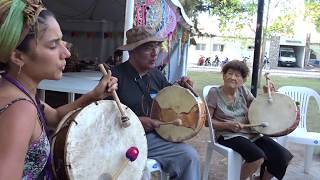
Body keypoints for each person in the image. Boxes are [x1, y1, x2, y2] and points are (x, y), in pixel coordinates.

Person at [0, 1, 117, 179]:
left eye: (62, 41)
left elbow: (54, 117)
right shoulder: (20, 110)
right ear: (17, 56)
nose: (67, 53)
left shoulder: (15, 90)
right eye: (53, 45)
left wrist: (94, 95)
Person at [109, 26, 200, 180]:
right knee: (188, 155)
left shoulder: (156, 74)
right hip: (126, 139)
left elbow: (170, 100)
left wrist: (183, 88)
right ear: (132, 51)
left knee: (189, 155)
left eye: (157, 46)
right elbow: (102, 118)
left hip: (155, 137)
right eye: (148, 48)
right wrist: (136, 122)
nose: (155, 52)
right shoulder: (115, 77)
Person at [206, 60, 293, 180]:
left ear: (243, 80)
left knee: (283, 157)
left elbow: (257, 107)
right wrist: (227, 125)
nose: (232, 77)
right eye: (229, 73)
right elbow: (207, 121)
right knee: (257, 157)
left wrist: (266, 95)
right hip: (228, 135)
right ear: (224, 75)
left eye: (237, 75)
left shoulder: (243, 90)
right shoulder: (214, 93)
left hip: (250, 133)